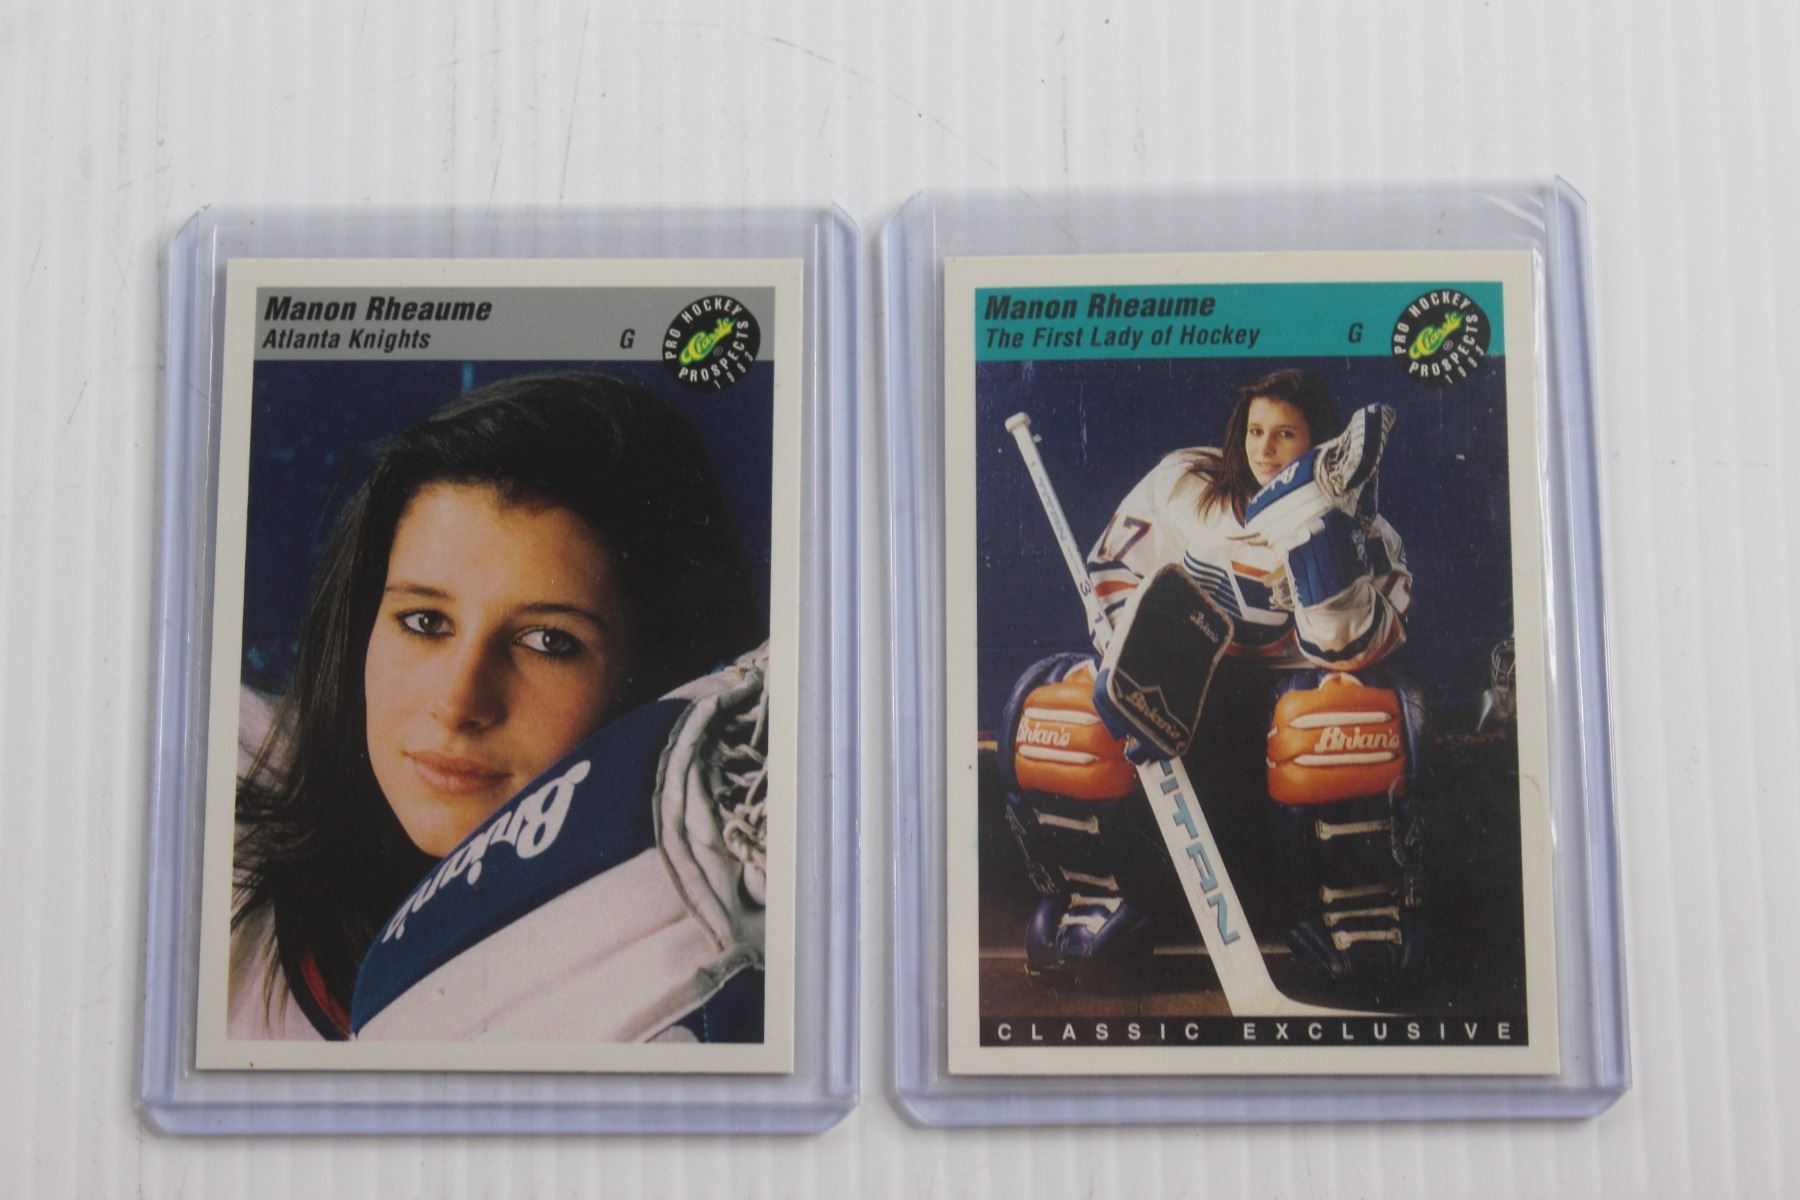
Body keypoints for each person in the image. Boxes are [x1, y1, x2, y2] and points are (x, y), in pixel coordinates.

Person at [228, 371, 765, 1040]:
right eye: (425, 622)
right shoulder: (223, 798)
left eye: (548, 642)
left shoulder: (700, 946)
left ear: (657, 672)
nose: (458, 703)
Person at [997, 368, 1425, 1003]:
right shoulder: (1184, 484)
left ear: (1320, 443)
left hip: (1288, 698)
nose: (1265, 448)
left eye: (1286, 435)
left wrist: (1323, 543)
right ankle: (1099, 901)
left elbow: (1363, 648)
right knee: (1065, 711)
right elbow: (1112, 570)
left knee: (1342, 718)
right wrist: (1135, 661)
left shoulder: (1373, 535)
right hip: (1192, 691)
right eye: (1255, 431)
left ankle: (1352, 915)